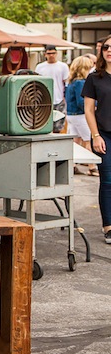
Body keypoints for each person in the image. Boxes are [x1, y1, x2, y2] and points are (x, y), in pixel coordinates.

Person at [84, 35, 111, 244]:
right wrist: (95, 136)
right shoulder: (95, 78)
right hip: (104, 135)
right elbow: (89, 110)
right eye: (107, 47)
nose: (109, 50)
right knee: (108, 181)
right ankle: (108, 226)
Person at [66, 55, 99, 176]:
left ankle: (72, 165)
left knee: (75, 142)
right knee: (87, 141)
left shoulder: (71, 82)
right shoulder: (81, 82)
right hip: (80, 115)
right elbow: (82, 103)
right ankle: (92, 167)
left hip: (71, 114)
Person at [35, 45, 70, 132]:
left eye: (53, 53)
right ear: (45, 54)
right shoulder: (40, 67)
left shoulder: (63, 66)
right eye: (49, 53)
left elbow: (66, 82)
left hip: (59, 99)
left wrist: (65, 97)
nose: (51, 55)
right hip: (43, 99)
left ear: (56, 53)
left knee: (59, 124)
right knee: (44, 122)